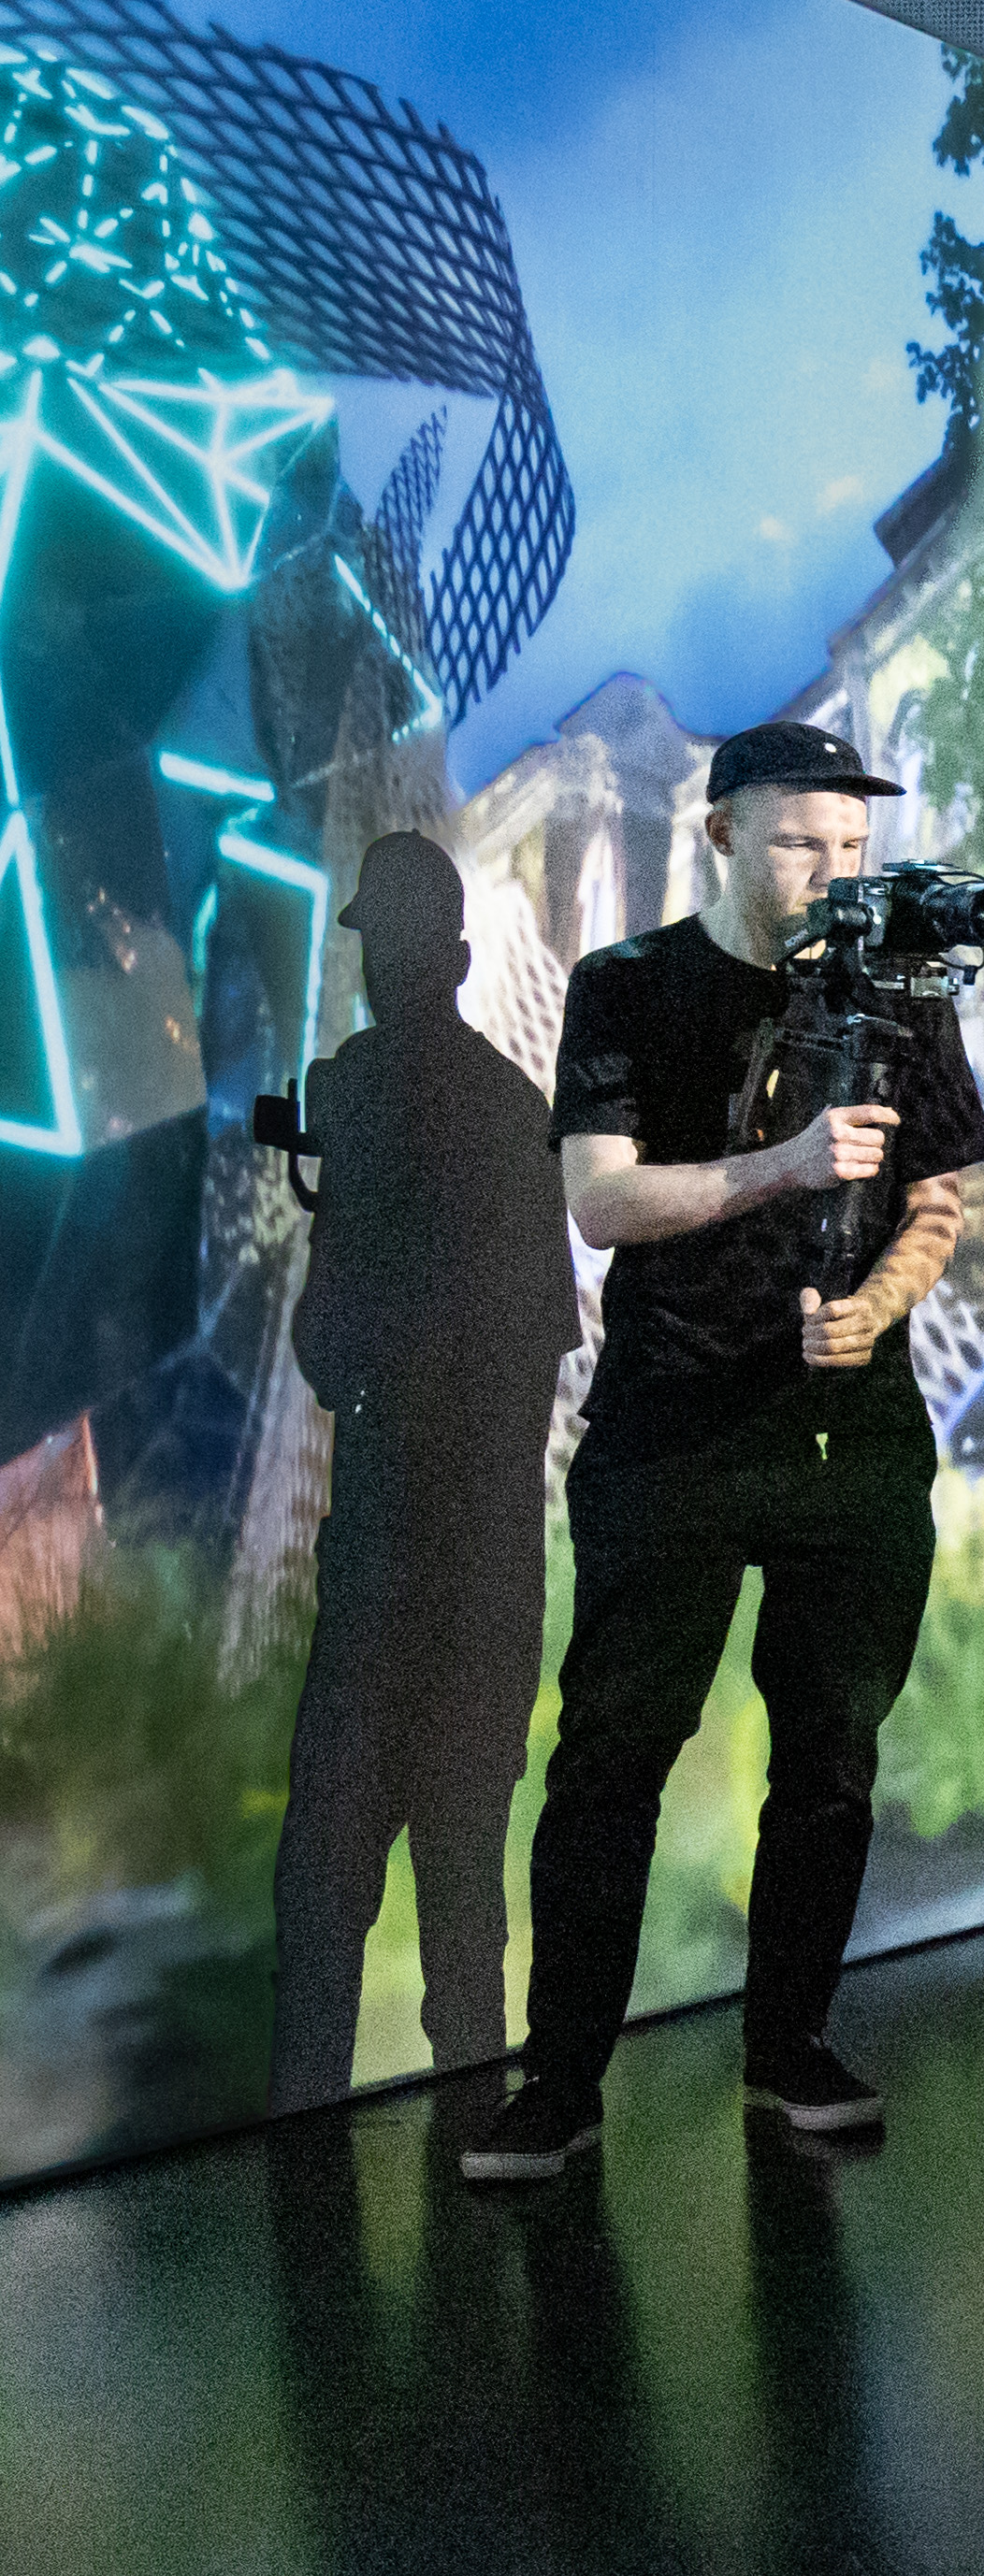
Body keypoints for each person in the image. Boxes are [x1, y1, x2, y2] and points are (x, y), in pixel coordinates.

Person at [459, 723, 984, 2185]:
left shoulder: (897, 992)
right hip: (674, 1423)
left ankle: (789, 2051)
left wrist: (876, 1305)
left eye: (850, 847)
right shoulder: (628, 987)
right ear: (721, 836)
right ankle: (558, 2083)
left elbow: (940, 1202)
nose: (830, 872)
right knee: (613, 1762)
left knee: (831, 1758)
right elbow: (601, 1205)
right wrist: (782, 1165)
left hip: (849, 1432)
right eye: (799, 843)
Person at [268, 832, 580, 2110]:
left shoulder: (366, 1103)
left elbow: (326, 1351)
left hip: (392, 1572)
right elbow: (540, 1353)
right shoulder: (515, 1111)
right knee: (467, 1930)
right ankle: (485, 2194)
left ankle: (311, 2213)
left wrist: (338, 1199)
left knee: (320, 1917)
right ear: (457, 960)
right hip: (491, 1579)